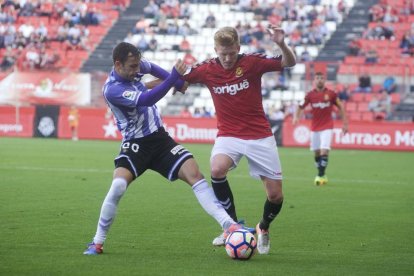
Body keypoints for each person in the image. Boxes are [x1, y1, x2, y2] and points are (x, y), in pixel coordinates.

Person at [83, 42, 243, 255]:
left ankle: (229, 225)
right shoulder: (112, 89)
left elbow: (158, 71)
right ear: (118, 64)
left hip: (160, 140)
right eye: (131, 67)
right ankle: (97, 242)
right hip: (135, 144)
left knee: (195, 173)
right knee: (119, 186)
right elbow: (148, 99)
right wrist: (174, 78)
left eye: (138, 65)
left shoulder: (137, 66)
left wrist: (176, 80)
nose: (136, 70)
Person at [180, 25, 296, 254]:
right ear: (215, 50)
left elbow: (289, 63)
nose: (227, 58)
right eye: (222, 54)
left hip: (260, 136)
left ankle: (263, 227)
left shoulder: (252, 63)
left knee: (275, 196)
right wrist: (157, 80)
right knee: (216, 168)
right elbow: (179, 82)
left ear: (238, 48)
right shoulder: (206, 69)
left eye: (232, 53)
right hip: (228, 135)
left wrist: (281, 44)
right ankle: (231, 227)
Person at [292, 72, 348, 186]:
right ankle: (321, 173)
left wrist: (345, 124)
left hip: (327, 126)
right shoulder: (310, 95)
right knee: (317, 153)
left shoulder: (331, 94)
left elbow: (341, 106)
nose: (319, 80)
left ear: (325, 80)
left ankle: (321, 175)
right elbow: (300, 106)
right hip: (314, 127)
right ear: (314, 80)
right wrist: (296, 117)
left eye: (322, 78)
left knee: (324, 150)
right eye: (317, 78)